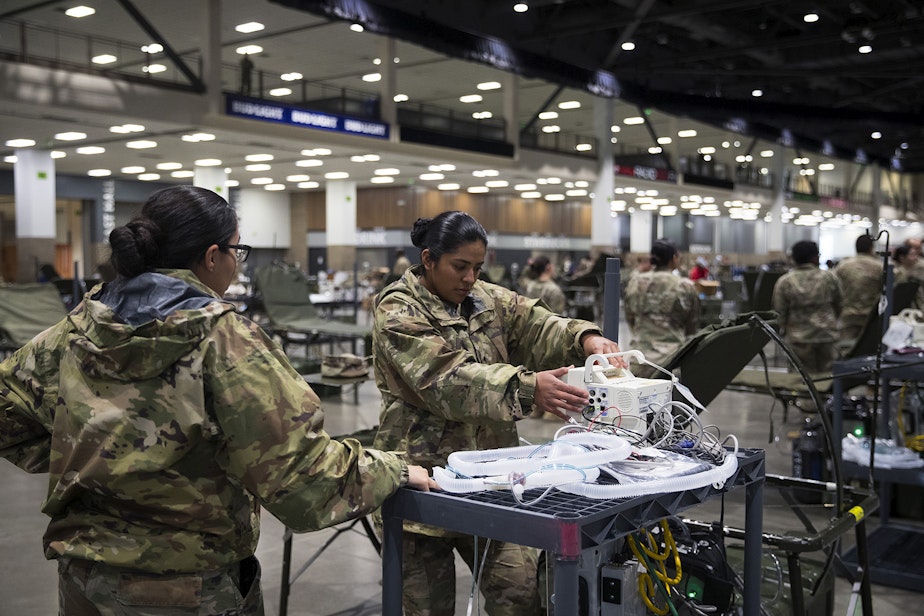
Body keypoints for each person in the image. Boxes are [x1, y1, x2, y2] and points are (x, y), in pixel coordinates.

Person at [0, 185, 436, 615]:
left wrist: (87, 455)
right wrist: (392, 469)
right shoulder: (224, 339)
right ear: (212, 256)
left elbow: (7, 411)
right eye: (237, 251)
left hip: (83, 581)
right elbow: (302, 478)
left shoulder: (80, 325)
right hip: (188, 588)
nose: (237, 264)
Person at [371, 210, 621, 616]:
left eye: (478, 267)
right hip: (421, 487)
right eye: (460, 266)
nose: (470, 278)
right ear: (429, 259)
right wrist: (527, 388)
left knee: (522, 600)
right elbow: (445, 379)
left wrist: (585, 337)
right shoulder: (398, 310)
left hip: (493, 486)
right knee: (426, 610)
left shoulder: (485, 298)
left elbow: (539, 323)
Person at [624, 239, 700, 367]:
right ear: (674, 258)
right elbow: (691, 326)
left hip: (638, 358)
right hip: (671, 360)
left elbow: (630, 317)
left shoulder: (635, 282)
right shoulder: (685, 286)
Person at [772, 239, 842, 373]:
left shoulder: (784, 282)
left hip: (798, 340)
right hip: (826, 336)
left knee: (801, 380)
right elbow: (839, 304)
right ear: (815, 257)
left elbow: (780, 312)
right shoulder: (829, 278)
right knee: (828, 378)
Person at [835, 234, 882, 343]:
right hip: (871, 318)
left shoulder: (843, 266)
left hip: (848, 317)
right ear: (871, 248)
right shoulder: (879, 267)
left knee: (847, 350)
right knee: (869, 351)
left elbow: (835, 291)